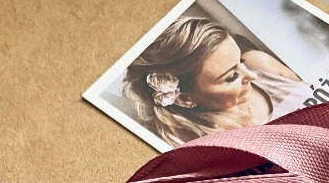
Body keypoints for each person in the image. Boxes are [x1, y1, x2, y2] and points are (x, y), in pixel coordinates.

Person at [123, 16, 313, 146]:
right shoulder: (213, 144)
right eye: (232, 76)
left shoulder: (260, 64)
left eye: (240, 62)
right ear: (184, 99)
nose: (252, 75)